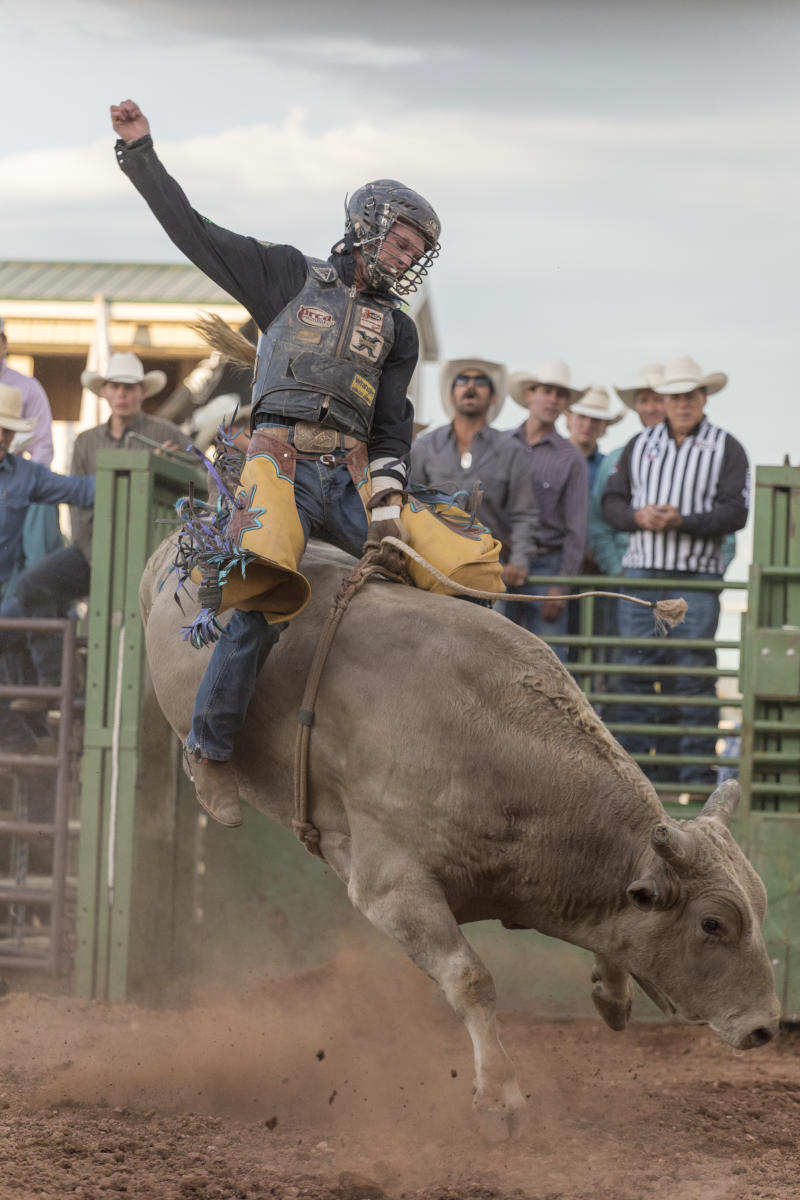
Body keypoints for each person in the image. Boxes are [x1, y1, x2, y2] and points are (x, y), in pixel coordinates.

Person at [110, 98, 442, 827]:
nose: (407, 256)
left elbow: (390, 428)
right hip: (276, 467)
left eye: (417, 250)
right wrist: (140, 153)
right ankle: (211, 746)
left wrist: (387, 516)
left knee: (443, 583)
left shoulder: (399, 331)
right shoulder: (287, 276)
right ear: (369, 226)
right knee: (267, 594)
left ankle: (428, 763)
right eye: (402, 241)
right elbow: (193, 233)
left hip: (351, 479)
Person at [5, 352, 186, 722]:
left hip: (149, 559)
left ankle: (57, 701)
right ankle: (54, 684)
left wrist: (168, 466)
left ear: (140, 392)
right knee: (32, 589)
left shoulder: (165, 434)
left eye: (129, 388)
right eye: (116, 387)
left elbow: (196, 477)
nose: (122, 394)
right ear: (105, 392)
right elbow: (80, 503)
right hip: (94, 552)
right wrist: (93, 554)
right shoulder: (86, 442)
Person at [601, 354, 749, 788]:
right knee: (634, 675)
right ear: (663, 400)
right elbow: (610, 504)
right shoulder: (639, 445)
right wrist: (637, 518)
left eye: (691, 396)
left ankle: (692, 782)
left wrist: (681, 520)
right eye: (676, 397)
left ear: (704, 398)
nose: (683, 404)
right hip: (642, 574)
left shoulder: (727, 447)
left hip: (696, 580)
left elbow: (736, 513)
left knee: (692, 676)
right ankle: (633, 783)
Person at [0, 384, 96, 753]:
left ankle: (27, 748)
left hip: (9, 599)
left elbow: (82, 490)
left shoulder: (27, 475)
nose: (2, 435)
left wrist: (138, 468)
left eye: (6, 429)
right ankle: (31, 746)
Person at [409, 358, 539, 587]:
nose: (470, 386)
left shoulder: (511, 450)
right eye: (462, 380)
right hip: (432, 567)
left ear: (492, 397)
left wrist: (518, 561)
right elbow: (409, 504)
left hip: (489, 567)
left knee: (488, 625)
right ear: (451, 395)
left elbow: (524, 513)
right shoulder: (425, 445)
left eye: (480, 381)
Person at [500, 360, 588, 661]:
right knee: (491, 652)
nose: (553, 400)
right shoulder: (499, 444)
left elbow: (577, 528)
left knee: (549, 659)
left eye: (561, 395)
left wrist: (561, 584)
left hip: (546, 564)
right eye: (547, 391)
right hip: (498, 561)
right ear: (530, 394)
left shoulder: (571, 458)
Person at [563, 384, 625, 661]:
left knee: (601, 644)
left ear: (605, 427)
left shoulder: (612, 467)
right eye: (582, 416)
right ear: (568, 417)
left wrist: (599, 553)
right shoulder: (548, 460)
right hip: (558, 567)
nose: (587, 425)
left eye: (596, 419)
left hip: (599, 569)